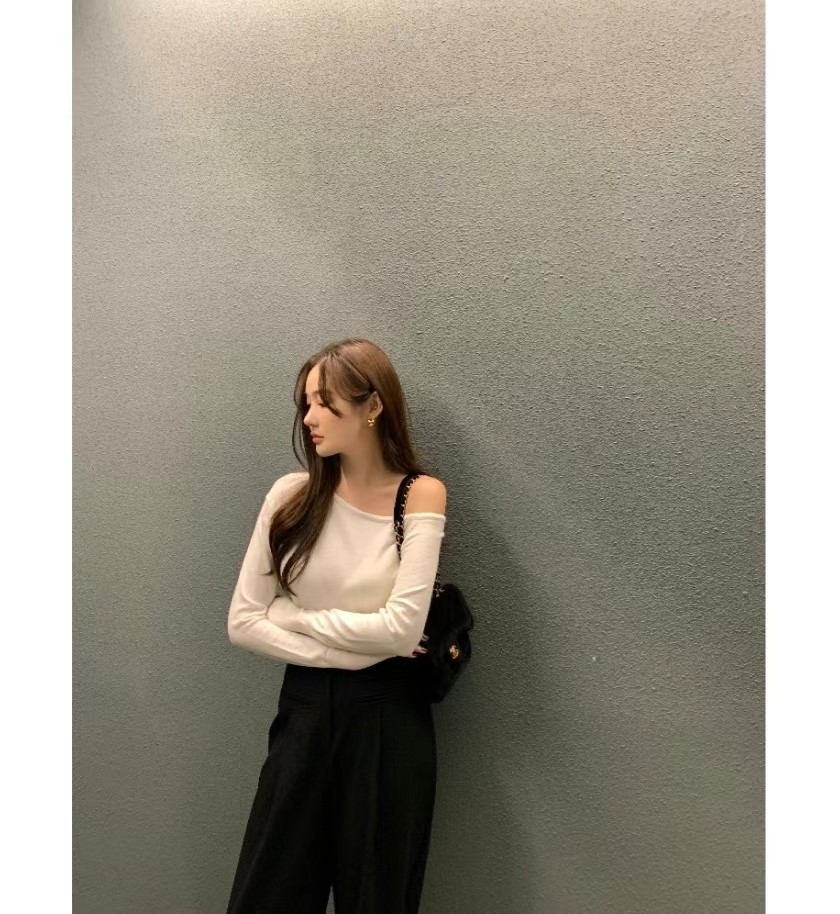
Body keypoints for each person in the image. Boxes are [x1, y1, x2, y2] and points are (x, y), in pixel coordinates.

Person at [225, 337, 448, 914]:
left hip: (388, 722)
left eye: (324, 402)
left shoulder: (420, 496)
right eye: (306, 403)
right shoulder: (291, 496)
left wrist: (293, 617)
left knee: (378, 899)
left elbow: (402, 631)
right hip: (303, 714)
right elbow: (243, 622)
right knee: (266, 896)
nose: (309, 417)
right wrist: (345, 651)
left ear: (372, 405)